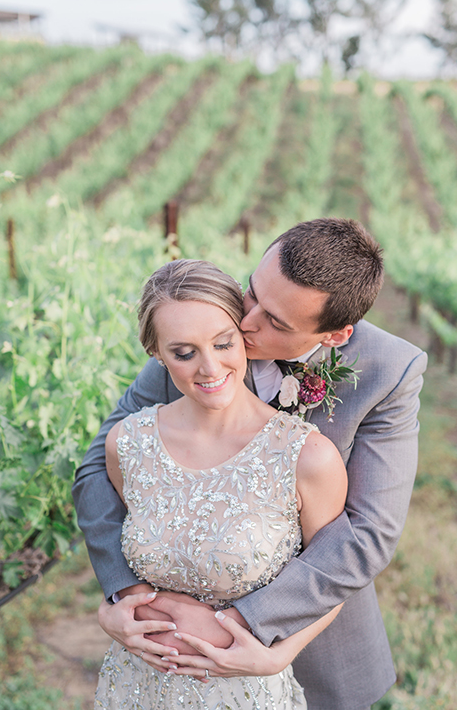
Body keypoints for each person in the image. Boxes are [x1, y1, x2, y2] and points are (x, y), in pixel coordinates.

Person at [74, 218, 428, 710]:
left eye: (276, 322)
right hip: (170, 653)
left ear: (334, 334)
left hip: (310, 637)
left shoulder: (389, 371)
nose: (246, 322)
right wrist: (127, 597)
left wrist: (241, 624)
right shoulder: (204, 336)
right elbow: (97, 468)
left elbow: (366, 533)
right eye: (252, 291)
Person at [94, 258, 348, 709]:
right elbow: (122, 552)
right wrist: (109, 610)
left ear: (244, 332)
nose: (209, 368)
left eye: (223, 343)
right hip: (137, 687)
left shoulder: (307, 456)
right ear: (156, 353)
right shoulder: (127, 443)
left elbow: (330, 582)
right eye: (184, 352)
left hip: (244, 690)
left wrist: (277, 657)